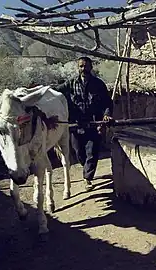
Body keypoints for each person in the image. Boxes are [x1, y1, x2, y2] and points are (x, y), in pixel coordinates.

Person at [54, 56, 113, 191]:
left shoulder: (99, 84)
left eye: (86, 66)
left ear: (91, 68)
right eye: (81, 66)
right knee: (78, 151)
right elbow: (56, 91)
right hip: (76, 124)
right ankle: (85, 167)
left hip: (94, 123)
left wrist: (106, 115)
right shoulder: (71, 83)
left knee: (91, 152)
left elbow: (107, 102)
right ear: (78, 68)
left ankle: (87, 178)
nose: (83, 69)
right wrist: (40, 91)